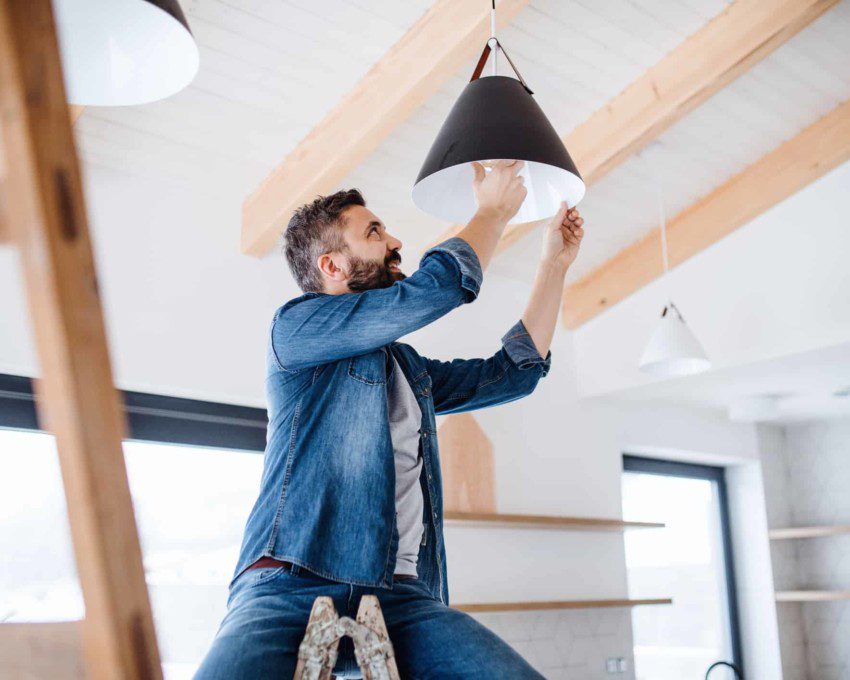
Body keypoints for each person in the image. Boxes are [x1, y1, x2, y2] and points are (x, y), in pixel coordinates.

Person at [195, 160, 586, 679]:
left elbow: (512, 374)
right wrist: (491, 212)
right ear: (332, 267)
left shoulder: (407, 369)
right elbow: (435, 288)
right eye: (374, 232)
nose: (395, 240)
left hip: (400, 595)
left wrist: (553, 266)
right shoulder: (295, 330)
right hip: (289, 584)